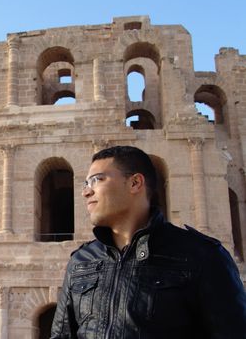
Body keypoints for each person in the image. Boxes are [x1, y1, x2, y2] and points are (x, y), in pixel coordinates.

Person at [50, 145, 246, 339]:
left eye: (97, 180)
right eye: (86, 183)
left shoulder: (201, 256)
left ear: (135, 183)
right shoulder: (81, 262)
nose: (86, 192)